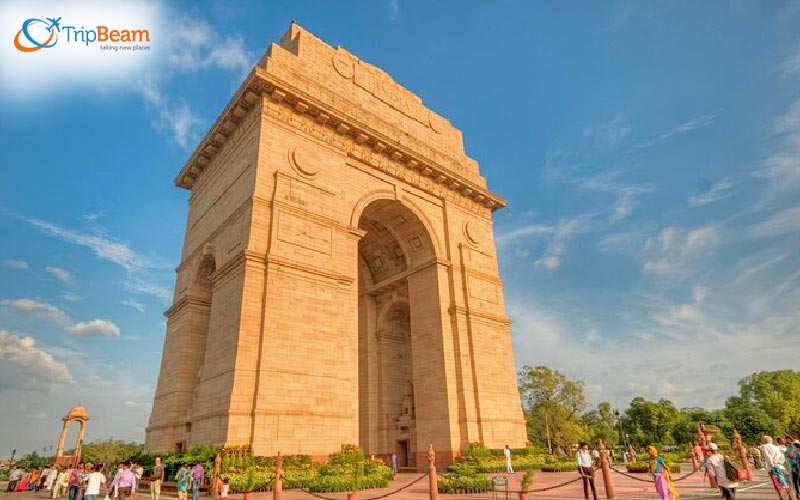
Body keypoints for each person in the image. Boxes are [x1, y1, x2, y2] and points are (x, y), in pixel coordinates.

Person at [761, 435, 793, 500]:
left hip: (773, 468)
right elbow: (781, 457)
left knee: (778, 484)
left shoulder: (765, 447)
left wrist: (772, 465)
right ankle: (791, 497)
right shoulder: (775, 447)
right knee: (786, 482)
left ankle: (782, 497)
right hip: (781, 466)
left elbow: (768, 457)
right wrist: (779, 462)